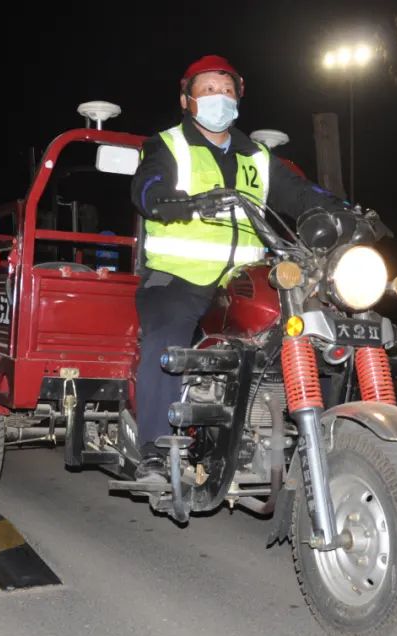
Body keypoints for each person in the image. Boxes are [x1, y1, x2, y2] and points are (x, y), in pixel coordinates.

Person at [129, 54, 356, 476]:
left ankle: (328, 438)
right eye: (209, 90)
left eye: (228, 90)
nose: (220, 98)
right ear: (187, 100)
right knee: (166, 338)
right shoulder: (168, 146)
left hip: (247, 279)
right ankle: (156, 451)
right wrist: (169, 200)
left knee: (318, 330)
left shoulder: (257, 156)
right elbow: (148, 186)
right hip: (179, 278)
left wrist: (347, 212)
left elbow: (301, 194)